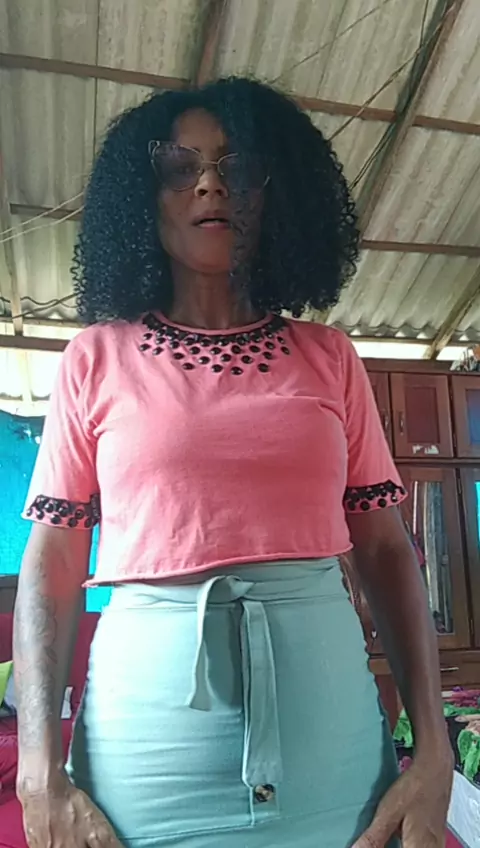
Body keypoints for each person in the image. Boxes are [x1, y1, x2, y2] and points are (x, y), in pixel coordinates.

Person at [14, 77, 452, 848]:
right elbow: (52, 564)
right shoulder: (94, 359)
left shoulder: (330, 358)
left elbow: (386, 551)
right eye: (178, 167)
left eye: (237, 165)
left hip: (334, 748)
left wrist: (434, 749)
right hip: (144, 753)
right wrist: (38, 770)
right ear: (142, 199)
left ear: (277, 193)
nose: (210, 184)